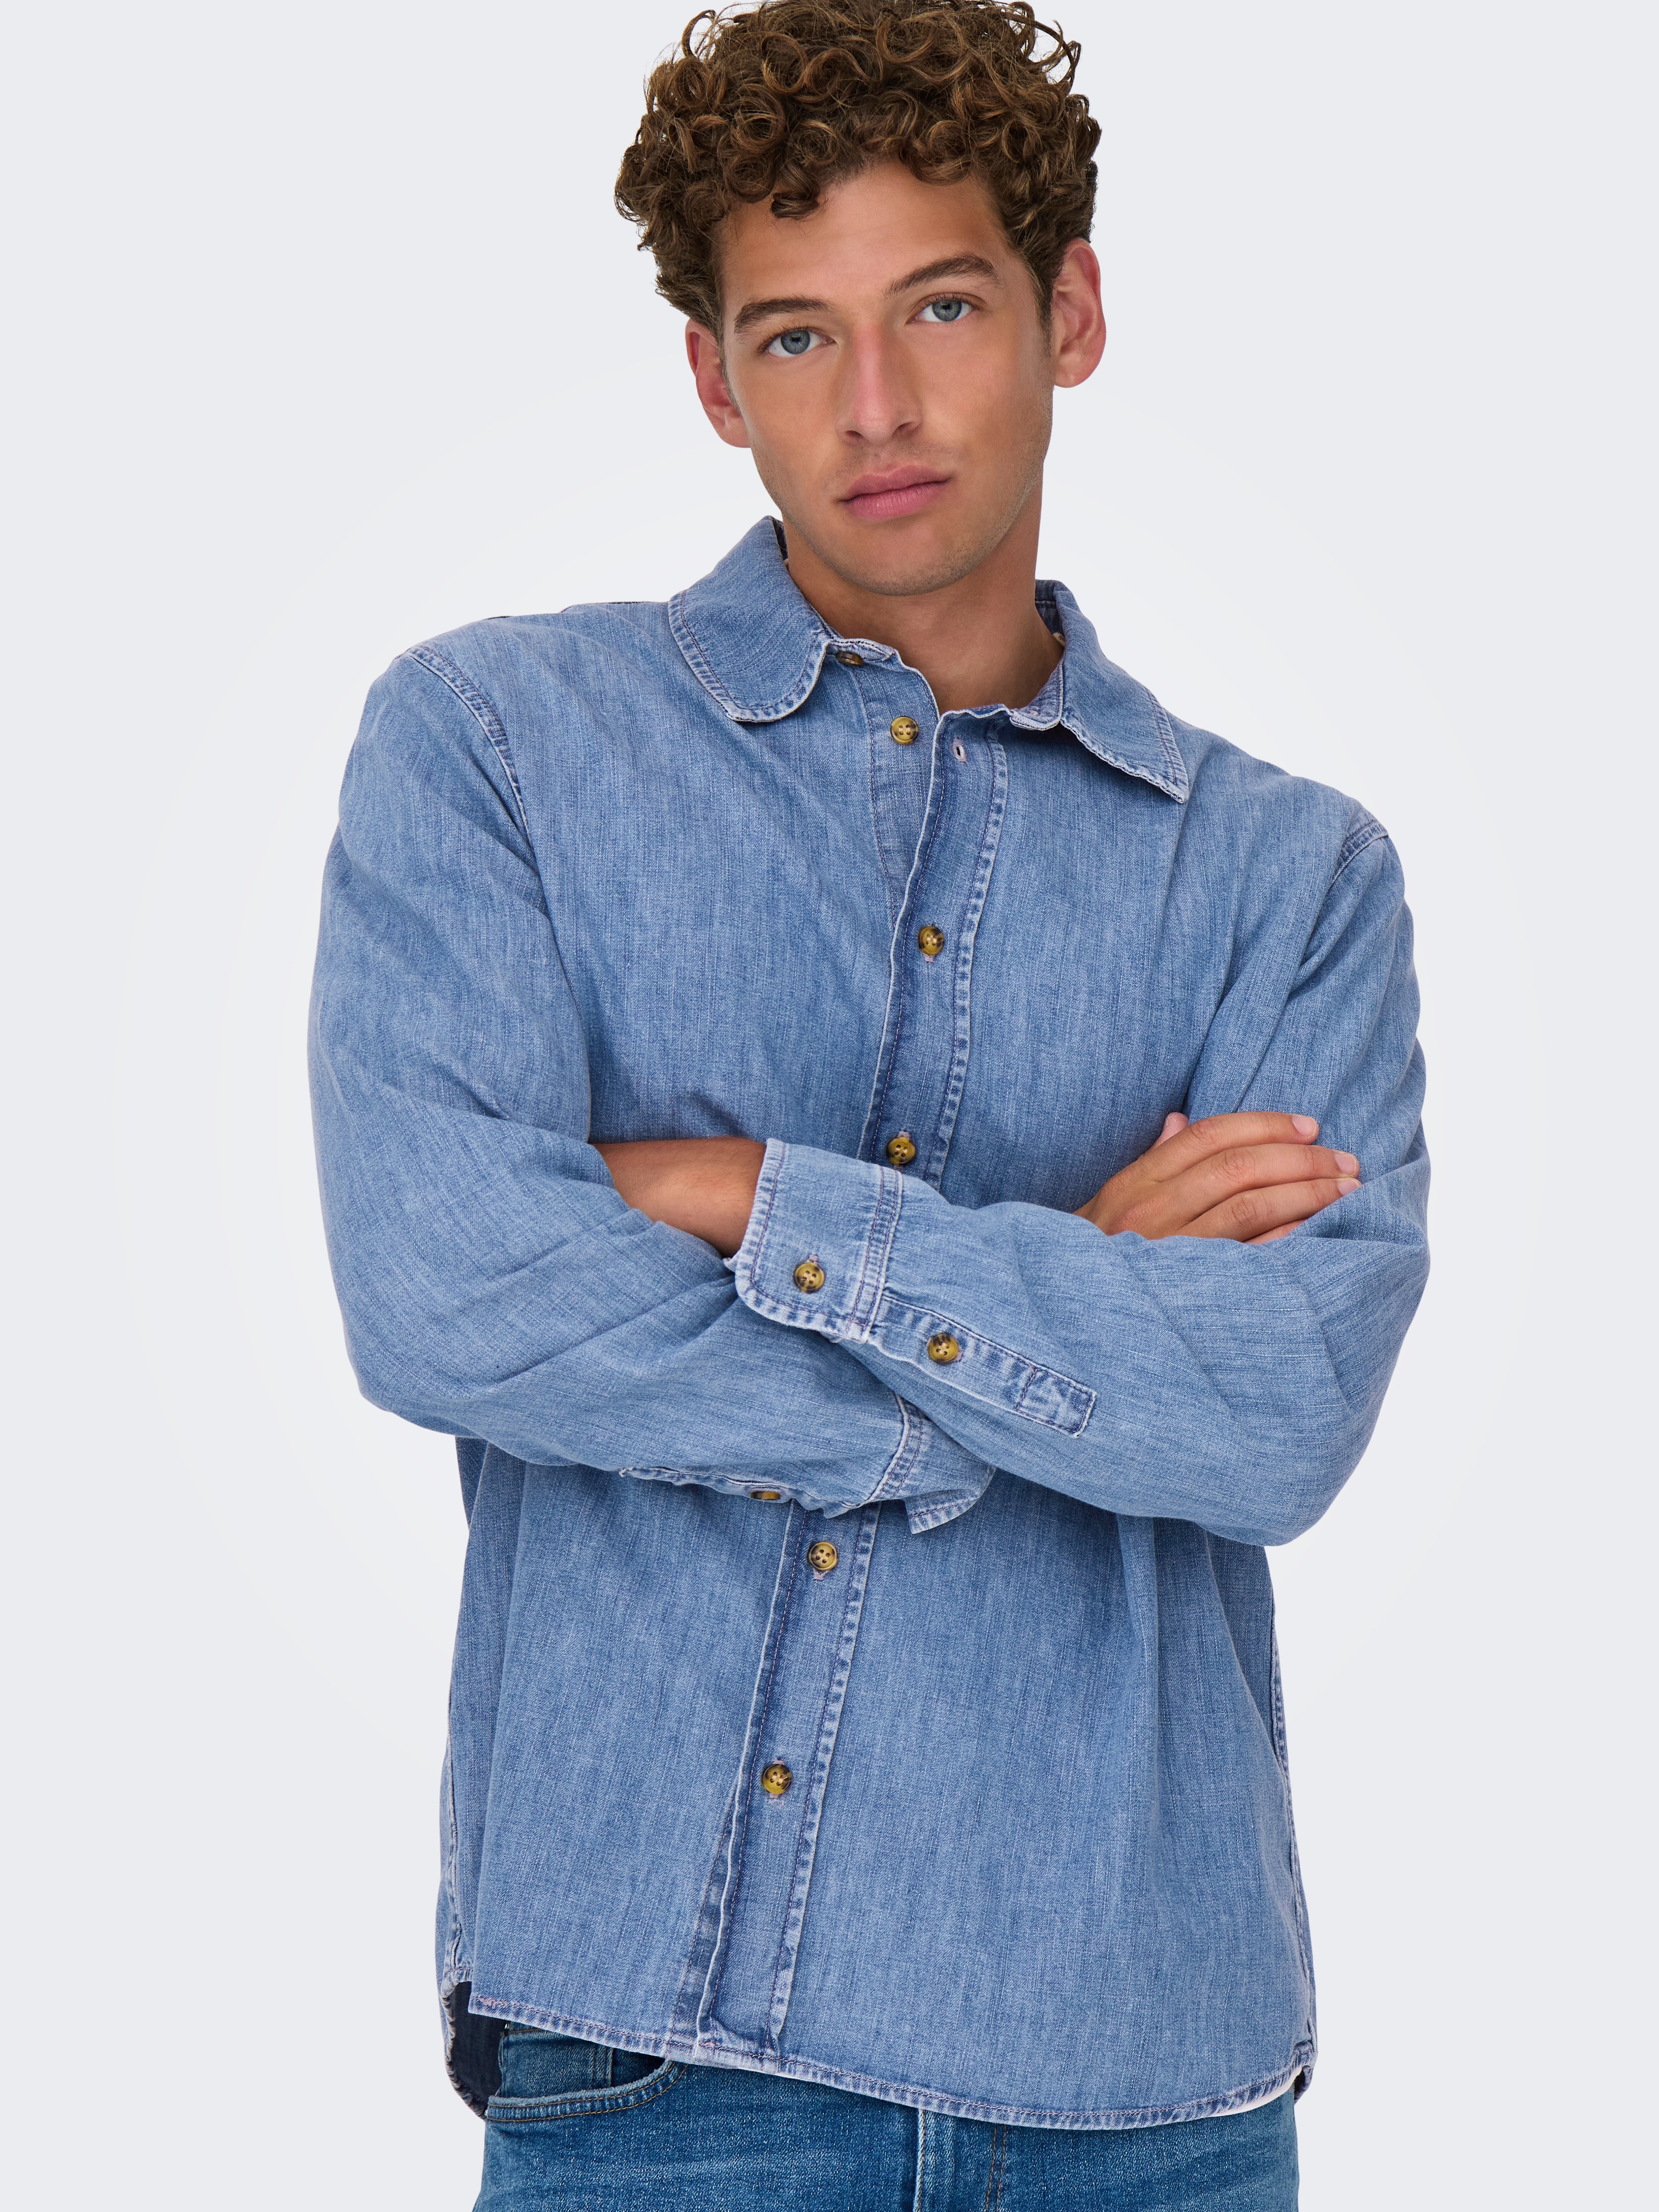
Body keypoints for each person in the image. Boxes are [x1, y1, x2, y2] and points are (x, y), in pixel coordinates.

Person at [309, 3, 1428, 2204]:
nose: (879, 408)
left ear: (1068, 311)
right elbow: (452, 1299)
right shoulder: (498, 750)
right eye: (797, 337)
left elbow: (1278, 1416)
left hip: (1152, 2087)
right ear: (715, 380)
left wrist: (751, 1202)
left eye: (941, 308)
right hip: (662, 2070)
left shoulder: (1287, 879)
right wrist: (1066, 1307)